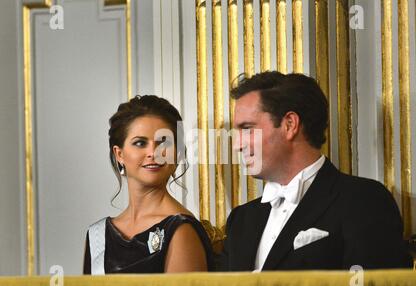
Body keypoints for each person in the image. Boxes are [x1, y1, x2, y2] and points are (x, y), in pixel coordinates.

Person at [221, 71, 413, 271]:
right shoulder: (241, 220)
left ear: (289, 124)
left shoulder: (363, 201)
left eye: (247, 128)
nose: (237, 145)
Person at [83, 95, 214, 274]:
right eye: (140, 143)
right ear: (119, 154)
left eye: (163, 142)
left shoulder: (181, 230)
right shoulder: (98, 236)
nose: (153, 152)